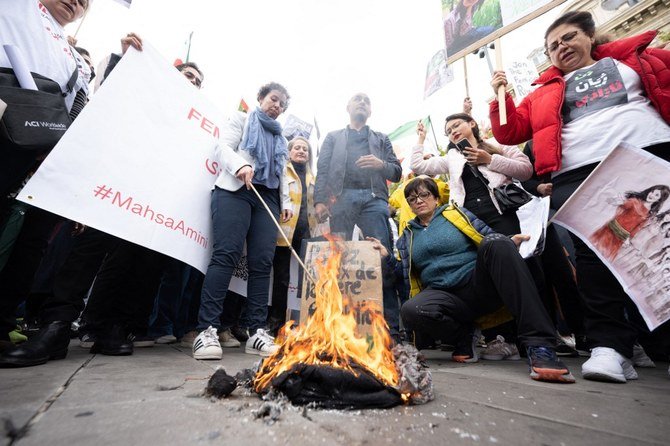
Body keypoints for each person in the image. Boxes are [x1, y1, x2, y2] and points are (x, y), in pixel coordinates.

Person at [489, 11, 670, 383]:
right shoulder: (542, 92)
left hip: (646, 154)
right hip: (581, 172)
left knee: (662, 243)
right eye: (552, 46)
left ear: (590, 37)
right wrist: (499, 96)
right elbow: (509, 132)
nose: (561, 47)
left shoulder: (638, 59)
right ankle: (610, 347)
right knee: (597, 255)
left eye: (568, 38)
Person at [370, 177, 575, 383]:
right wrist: (386, 256)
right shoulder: (406, 237)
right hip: (444, 296)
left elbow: (487, 236)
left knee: (496, 242)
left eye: (424, 195)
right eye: (412, 198)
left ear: (435, 197)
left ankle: (539, 345)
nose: (419, 201)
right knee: (411, 310)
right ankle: (463, 336)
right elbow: (402, 274)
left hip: (477, 283)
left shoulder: (455, 214)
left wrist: (506, 242)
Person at [193, 82, 292, 360]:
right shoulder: (241, 118)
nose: (277, 105)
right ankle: (207, 329)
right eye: (274, 99)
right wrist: (241, 165)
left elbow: (280, 173)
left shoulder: (281, 138)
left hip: (267, 200)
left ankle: (256, 331)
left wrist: (284, 203)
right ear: (261, 97)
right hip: (236, 191)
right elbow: (222, 147)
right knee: (226, 254)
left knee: (262, 263)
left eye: (282, 104)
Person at [313, 92, 402, 337]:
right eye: (357, 99)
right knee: (337, 258)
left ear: (370, 110)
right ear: (348, 107)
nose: (362, 102)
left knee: (380, 257)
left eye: (367, 100)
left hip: (374, 199)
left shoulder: (381, 139)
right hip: (341, 200)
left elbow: (397, 172)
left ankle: (391, 330)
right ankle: (334, 324)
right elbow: (322, 170)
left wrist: (380, 164)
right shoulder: (333, 137)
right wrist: (320, 201)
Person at [269, 136, 319, 333]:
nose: (301, 151)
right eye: (297, 148)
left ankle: (306, 322)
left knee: (307, 279)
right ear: (289, 152)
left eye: (305, 149)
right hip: (285, 231)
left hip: (307, 233)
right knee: (281, 277)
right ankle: (276, 323)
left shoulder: (313, 178)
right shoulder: (283, 171)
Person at [589, 185, 670, 261]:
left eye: (656, 195)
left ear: (659, 200)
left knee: (604, 258)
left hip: (621, 237)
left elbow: (638, 228)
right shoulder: (634, 202)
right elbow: (619, 203)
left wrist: (628, 238)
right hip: (610, 230)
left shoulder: (650, 214)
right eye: (652, 192)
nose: (651, 195)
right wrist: (615, 200)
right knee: (593, 252)